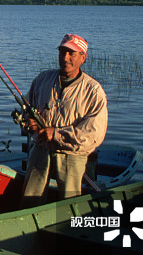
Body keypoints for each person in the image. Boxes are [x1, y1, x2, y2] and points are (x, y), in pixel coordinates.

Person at [19, 33, 107, 207]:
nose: (65, 58)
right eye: (62, 52)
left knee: (70, 205)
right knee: (29, 202)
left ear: (83, 57)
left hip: (72, 156)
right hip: (41, 151)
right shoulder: (43, 79)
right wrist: (28, 123)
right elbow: (24, 109)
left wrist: (57, 134)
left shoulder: (93, 90)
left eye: (71, 53)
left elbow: (93, 135)